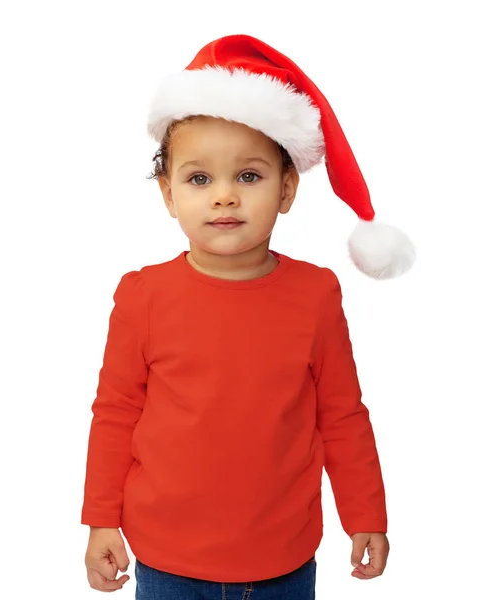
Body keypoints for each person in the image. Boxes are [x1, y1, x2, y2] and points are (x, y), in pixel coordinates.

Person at [81, 34, 416, 599]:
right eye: (199, 179)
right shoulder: (142, 295)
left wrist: (366, 514)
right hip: (167, 561)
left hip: (284, 560)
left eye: (249, 176)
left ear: (287, 189)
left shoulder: (315, 293)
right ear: (168, 194)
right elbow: (115, 414)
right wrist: (99, 519)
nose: (224, 197)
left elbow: (342, 415)